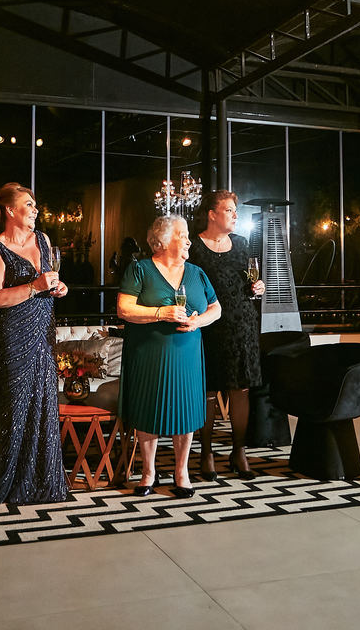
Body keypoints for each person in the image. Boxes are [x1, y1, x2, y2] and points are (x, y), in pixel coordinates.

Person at [117, 215, 221, 498]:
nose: (189, 241)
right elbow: (124, 309)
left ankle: (181, 472)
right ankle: (148, 472)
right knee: (148, 410)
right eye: (182, 235)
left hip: (187, 354)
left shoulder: (197, 273)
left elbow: (216, 309)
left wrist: (198, 321)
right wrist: (161, 313)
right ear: (162, 241)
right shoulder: (140, 269)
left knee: (185, 411)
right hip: (148, 353)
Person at [0, 183, 69, 504]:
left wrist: (59, 288)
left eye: (35, 205)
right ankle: (12, 484)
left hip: (43, 331)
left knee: (44, 401)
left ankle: (45, 482)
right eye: (29, 205)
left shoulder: (42, 240)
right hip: (11, 334)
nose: (35, 210)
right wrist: (34, 287)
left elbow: (50, 280)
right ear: (10, 210)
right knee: (14, 406)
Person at [187, 190, 265, 480]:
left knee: (241, 389)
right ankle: (206, 453)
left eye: (235, 210)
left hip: (241, 325)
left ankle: (239, 451)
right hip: (207, 326)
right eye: (229, 210)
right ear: (212, 214)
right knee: (207, 390)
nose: (235, 215)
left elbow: (251, 281)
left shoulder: (242, 244)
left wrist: (259, 288)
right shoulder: (193, 246)